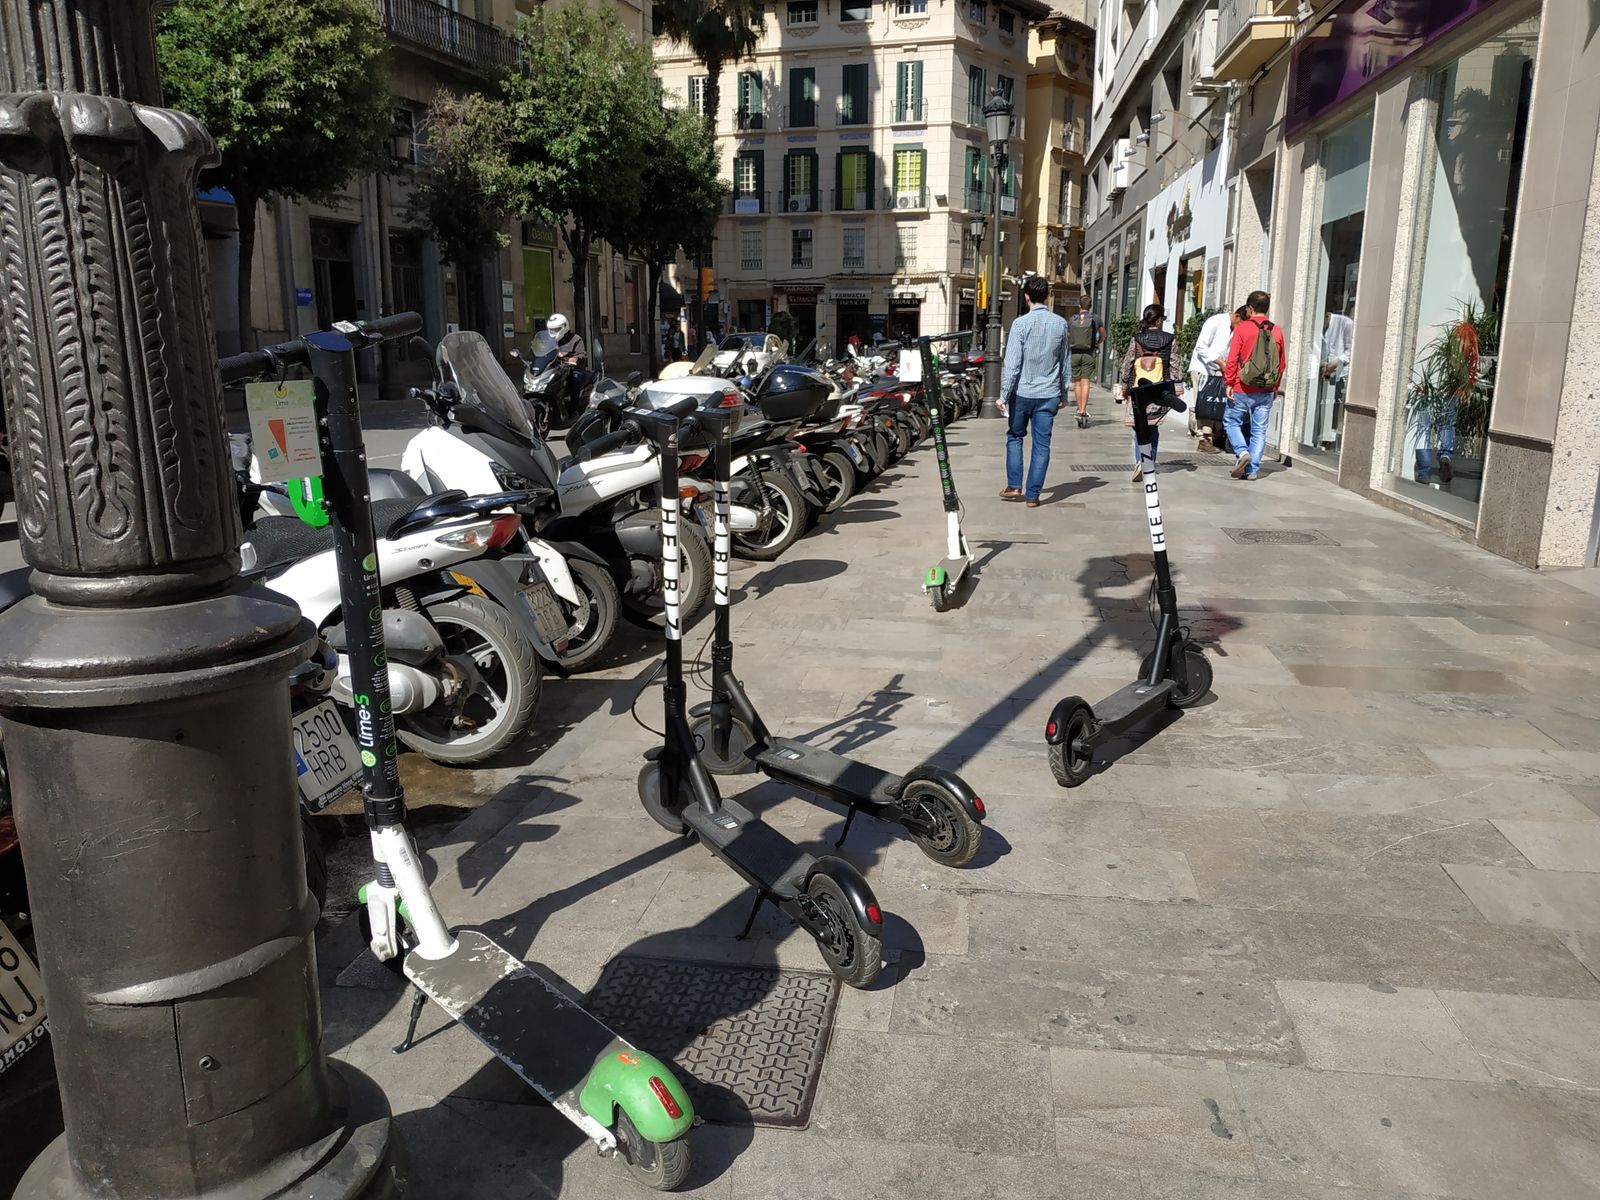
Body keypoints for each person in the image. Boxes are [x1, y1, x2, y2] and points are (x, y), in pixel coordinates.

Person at [998, 274, 1071, 508]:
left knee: (1015, 436)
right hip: (1049, 394)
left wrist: (1003, 395)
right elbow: (1065, 361)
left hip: (1022, 393)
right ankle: (1033, 495)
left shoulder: (1020, 324)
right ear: (1047, 296)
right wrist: (1064, 394)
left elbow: (1012, 364)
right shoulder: (1060, 323)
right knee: (1042, 445)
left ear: (1026, 296)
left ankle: (1014, 485)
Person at [1223, 290, 1288, 481]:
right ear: (1267, 308)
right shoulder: (1276, 330)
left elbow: (1232, 359)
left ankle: (1242, 452)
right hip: (1266, 388)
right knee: (1259, 429)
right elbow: (1281, 363)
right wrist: (1275, 386)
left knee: (1231, 422)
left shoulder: (1243, 328)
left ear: (1250, 308)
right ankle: (1252, 470)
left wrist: (1229, 382)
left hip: (1242, 386)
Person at [1115, 304, 1183, 483]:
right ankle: (1149, 463)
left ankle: (1141, 461)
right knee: (1153, 428)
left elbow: (1127, 365)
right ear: (1159, 320)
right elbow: (1175, 366)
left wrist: (1124, 386)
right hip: (1159, 391)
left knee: (1139, 428)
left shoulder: (1137, 339)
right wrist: (1178, 390)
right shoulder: (1170, 340)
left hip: (1138, 390)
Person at [1188, 306, 1243, 449]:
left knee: (1215, 403)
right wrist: (1220, 362)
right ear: (1237, 316)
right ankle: (1203, 439)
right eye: (1241, 324)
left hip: (1218, 371)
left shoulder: (1233, 329)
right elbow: (1201, 347)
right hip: (1203, 368)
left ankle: (1212, 437)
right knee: (1204, 403)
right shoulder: (1215, 321)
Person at [1066, 294, 1103, 429]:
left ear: (1079, 306)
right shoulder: (1096, 319)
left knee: (1077, 383)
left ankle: (1078, 408)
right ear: (1090, 306)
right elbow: (1103, 334)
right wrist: (1098, 342)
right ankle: (1083, 410)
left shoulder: (1072, 319)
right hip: (1089, 353)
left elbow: (1068, 335)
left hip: (1075, 354)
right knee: (1086, 382)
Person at [546, 313, 589, 423]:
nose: (554, 332)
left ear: (564, 327)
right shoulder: (551, 341)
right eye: (552, 329)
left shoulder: (576, 339)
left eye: (556, 329)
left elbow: (582, 354)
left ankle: (574, 411)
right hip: (556, 370)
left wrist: (574, 359)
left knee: (575, 379)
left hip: (572, 369)